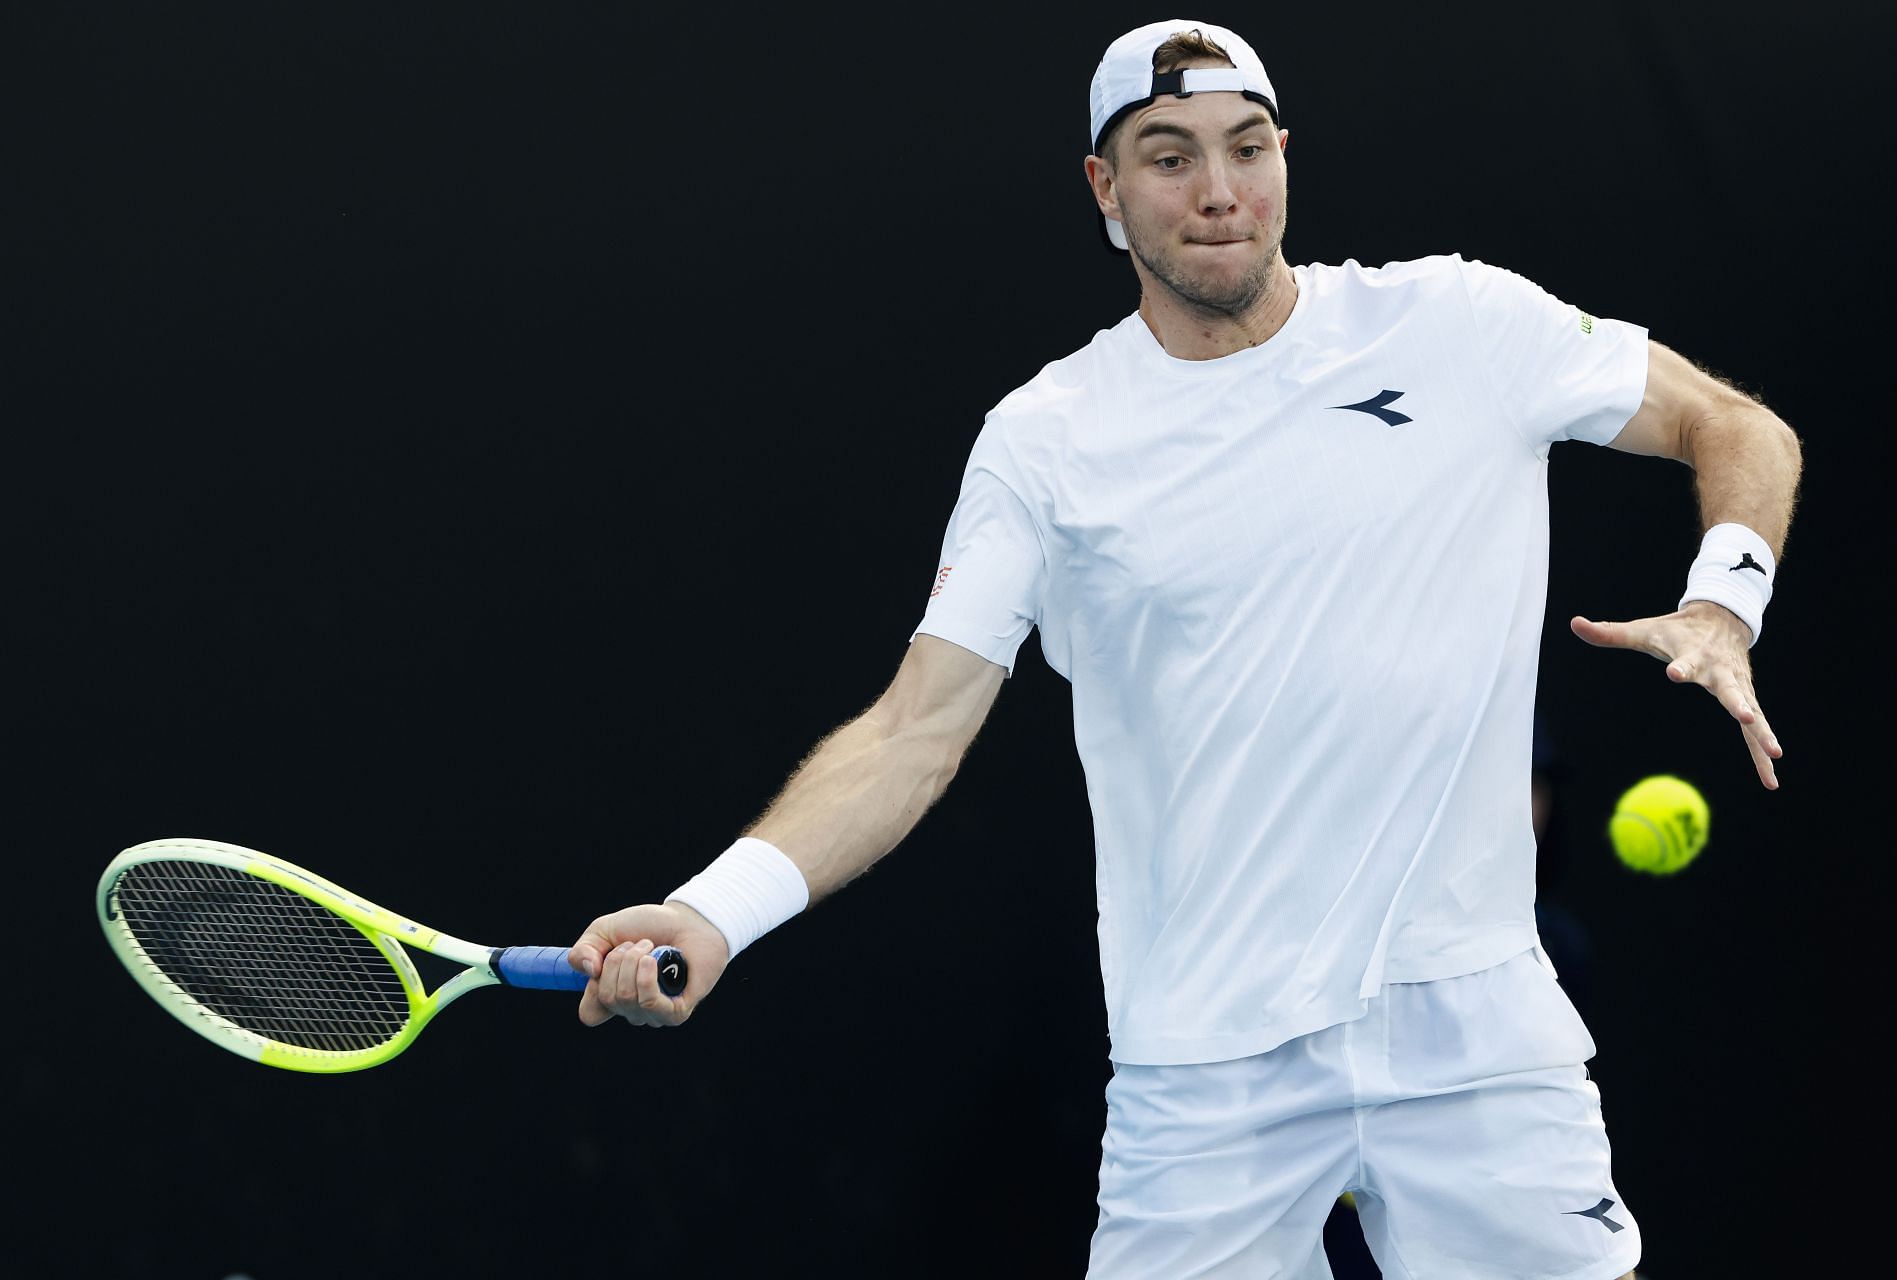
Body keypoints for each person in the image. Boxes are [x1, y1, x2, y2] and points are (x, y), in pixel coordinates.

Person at [566, 18, 1802, 1279]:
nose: (1218, 191)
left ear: (1283, 158)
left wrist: (1723, 602)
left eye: (1245, 147)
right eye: (1169, 156)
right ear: (1106, 188)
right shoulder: (1046, 442)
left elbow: (1734, 425)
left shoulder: (1461, 324)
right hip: (1205, 1077)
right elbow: (911, 731)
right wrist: (713, 912)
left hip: (1477, 1032)